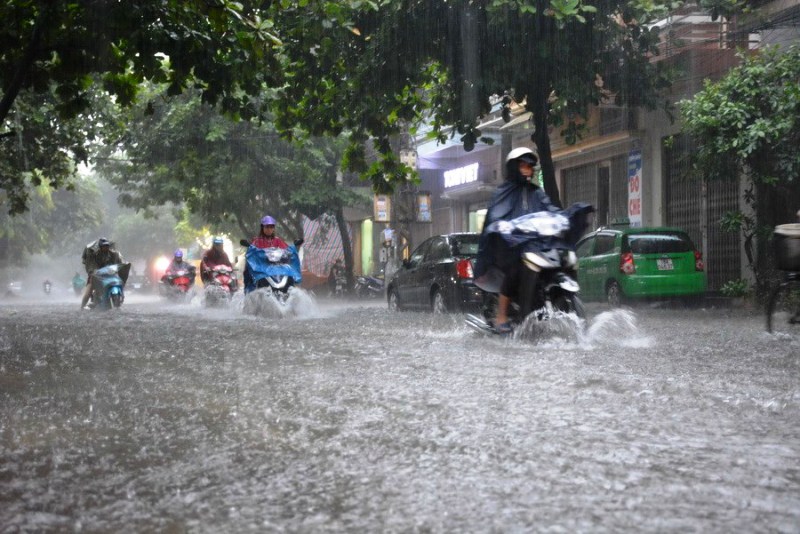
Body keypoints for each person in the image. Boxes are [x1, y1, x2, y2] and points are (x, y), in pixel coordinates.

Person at [473, 147, 559, 333]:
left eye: (530, 166)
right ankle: (501, 315)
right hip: (509, 248)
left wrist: (562, 219)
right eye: (523, 165)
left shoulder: (537, 192)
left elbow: (550, 209)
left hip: (535, 245)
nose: (527, 169)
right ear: (513, 168)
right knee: (515, 268)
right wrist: (503, 227)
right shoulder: (502, 193)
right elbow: (495, 216)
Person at [80, 237, 124, 309]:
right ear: (100, 247)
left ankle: (118, 299)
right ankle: (82, 307)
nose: (106, 247)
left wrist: (123, 265)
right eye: (104, 246)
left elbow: (119, 262)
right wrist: (93, 272)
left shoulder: (113, 254)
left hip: (109, 275)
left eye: (107, 246)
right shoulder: (94, 255)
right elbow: (91, 266)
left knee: (119, 282)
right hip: (96, 276)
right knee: (88, 292)